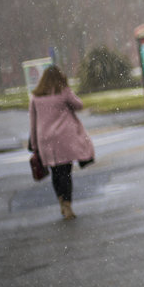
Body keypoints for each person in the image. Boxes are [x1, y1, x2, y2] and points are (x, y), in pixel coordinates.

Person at [28, 65, 95, 220]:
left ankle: (61, 200)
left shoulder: (36, 97)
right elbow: (79, 105)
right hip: (64, 138)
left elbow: (33, 122)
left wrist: (34, 145)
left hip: (45, 140)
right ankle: (67, 204)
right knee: (65, 172)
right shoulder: (63, 92)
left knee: (55, 173)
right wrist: (67, 88)